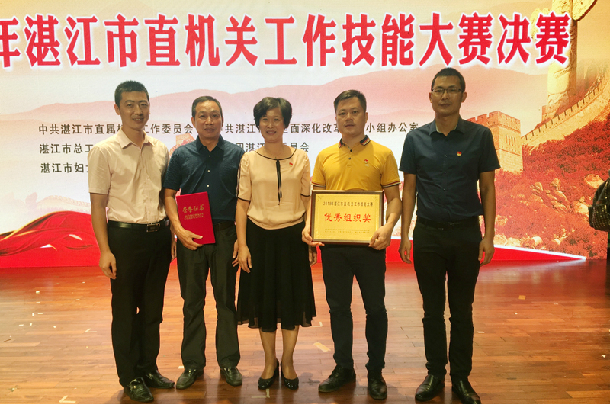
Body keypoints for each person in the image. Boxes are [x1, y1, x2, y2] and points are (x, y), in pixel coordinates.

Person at [399, 67, 499, 404]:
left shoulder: (480, 136)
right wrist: (405, 234)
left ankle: (461, 377)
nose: (445, 95)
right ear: (430, 96)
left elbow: (488, 187)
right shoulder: (415, 139)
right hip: (428, 234)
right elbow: (409, 189)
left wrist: (489, 235)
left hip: (466, 235)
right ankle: (435, 373)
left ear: (463, 96)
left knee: (462, 310)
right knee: (431, 310)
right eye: (439, 90)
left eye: (452, 89)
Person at [302, 90, 402, 400]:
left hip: (370, 245)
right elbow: (316, 200)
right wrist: (309, 225)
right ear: (335, 118)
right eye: (343, 112)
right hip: (334, 247)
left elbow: (394, 200)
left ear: (366, 116)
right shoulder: (324, 156)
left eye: (354, 112)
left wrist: (388, 226)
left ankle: (376, 371)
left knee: (375, 309)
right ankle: (343, 367)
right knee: (338, 308)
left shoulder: (383, 154)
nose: (348, 117)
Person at [88, 81, 174, 403]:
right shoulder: (104, 151)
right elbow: (98, 205)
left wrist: (171, 233)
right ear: (117, 109)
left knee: (153, 310)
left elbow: (166, 198)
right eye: (130, 105)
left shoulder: (161, 149)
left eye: (143, 104)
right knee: (124, 310)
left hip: (158, 236)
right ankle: (130, 376)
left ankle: (149, 367)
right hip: (124, 238)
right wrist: (105, 250)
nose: (138, 111)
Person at [236, 97, 316, 391]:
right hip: (259, 238)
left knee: (292, 301)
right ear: (258, 123)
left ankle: (289, 361)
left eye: (276, 119)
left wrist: (309, 231)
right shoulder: (249, 159)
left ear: (286, 123)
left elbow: (307, 200)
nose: (271, 125)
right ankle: (270, 361)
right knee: (265, 302)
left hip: (293, 238)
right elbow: (242, 204)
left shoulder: (301, 157)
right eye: (265, 119)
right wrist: (243, 245)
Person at [164, 96, 244, 389]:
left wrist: (241, 239)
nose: (209, 121)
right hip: (192, 237)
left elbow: (243, 199)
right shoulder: (181, 155)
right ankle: (192, 364)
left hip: (225, 236)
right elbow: (169, 194)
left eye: (214, 115)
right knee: (192, 302)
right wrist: (178, 230)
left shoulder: (237, 154)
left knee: (226, 302)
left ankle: (229, 362)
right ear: (193, 121)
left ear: (222, 119)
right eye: (202, 116)